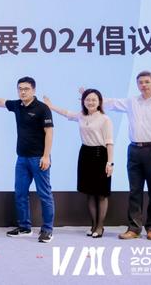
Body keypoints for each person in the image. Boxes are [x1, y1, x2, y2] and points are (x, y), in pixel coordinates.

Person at [0, 76, 55, 243]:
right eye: (20, 89)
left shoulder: (42, 108)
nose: (22, 92)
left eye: (26, 89)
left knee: (44, 194)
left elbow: (49, 132)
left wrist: (46, 156)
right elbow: (1, 102)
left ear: (33, 90)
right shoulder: (17, 105)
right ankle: (24, 227)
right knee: (20, 193)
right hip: (22, 158)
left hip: (39, 158)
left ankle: (47, 230)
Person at [99, 70, 151, 241]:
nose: (144, 85)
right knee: (135, 191)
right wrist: (92, 96)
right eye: (140, 82)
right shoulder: (132, 102)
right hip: (134, 150)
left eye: (147, 82)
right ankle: (134, 228)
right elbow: (112, 103)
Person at [43, 89, 114, 238]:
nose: (90, 102)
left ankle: (100, 227)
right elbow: (66, 113)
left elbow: (109, 142)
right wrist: (51, 106)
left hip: (100, 155)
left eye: (94, 100)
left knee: (101, 193)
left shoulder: (105, 119)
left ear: (99, 102)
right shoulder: (81, 116)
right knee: (89, 192)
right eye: (87, 99)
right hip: (85, 154)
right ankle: (93, 225)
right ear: (83, 101)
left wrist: (110, 163)